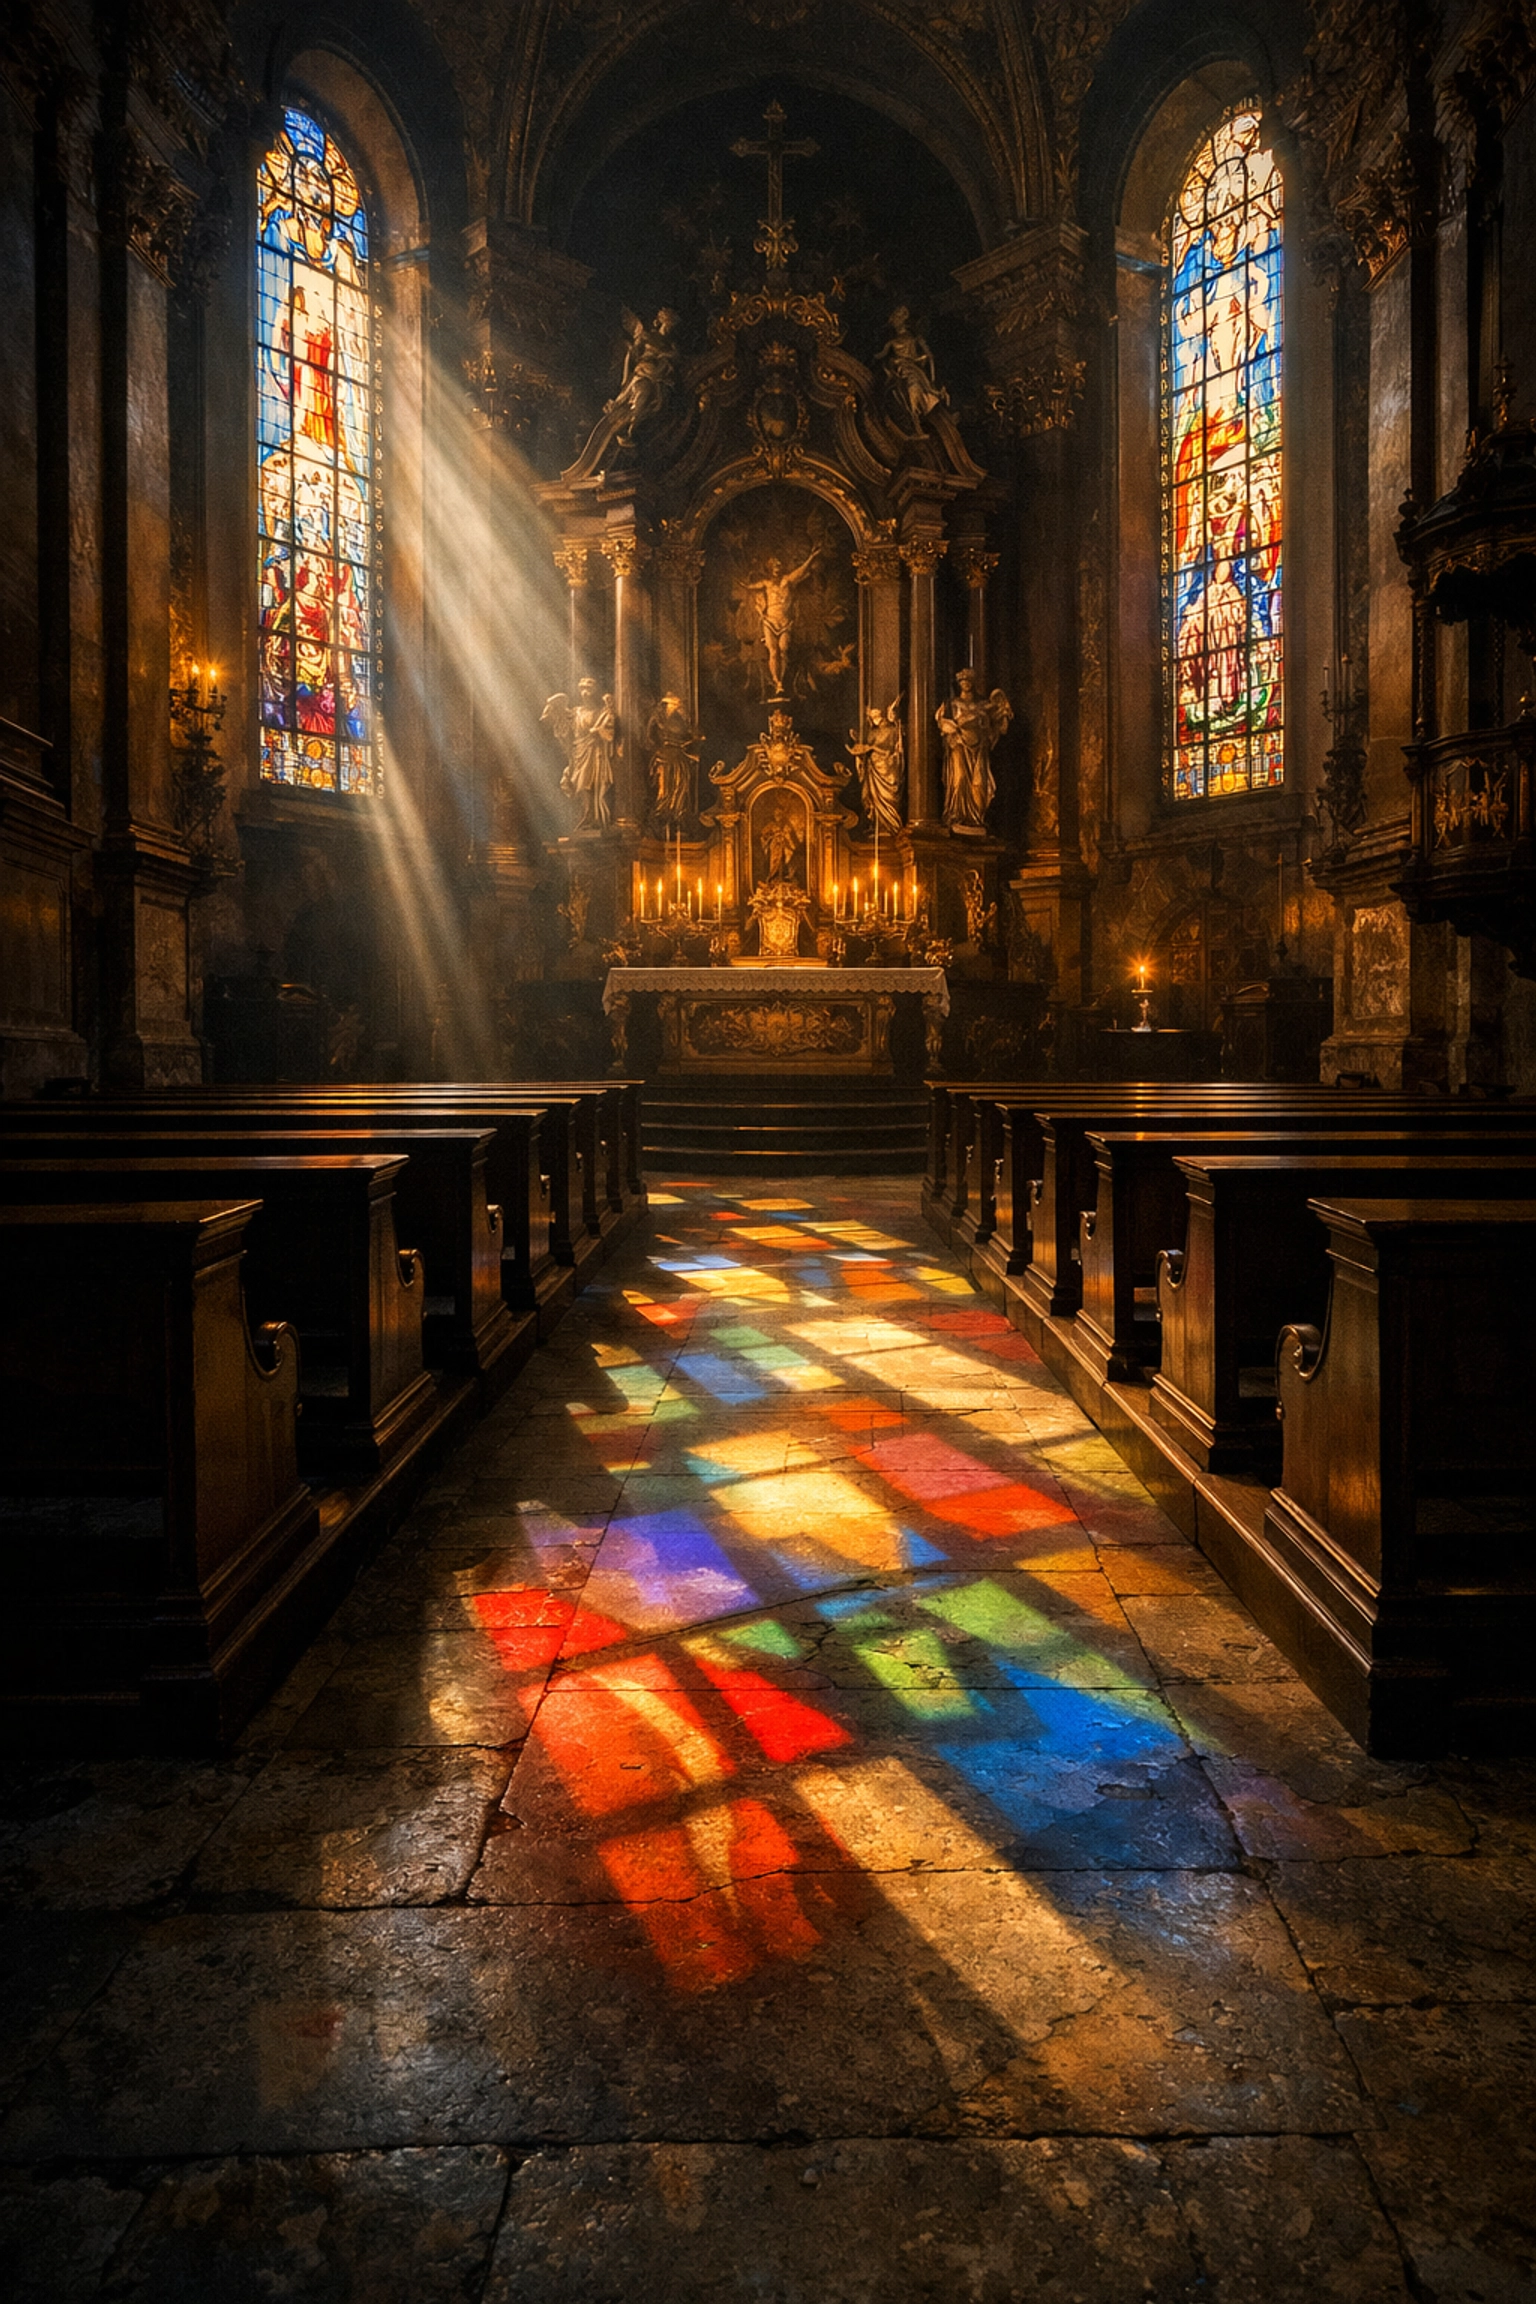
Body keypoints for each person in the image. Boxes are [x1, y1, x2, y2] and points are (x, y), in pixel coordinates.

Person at [937, 667, 1013, 834]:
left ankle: (976, 819)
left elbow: (1002, 727)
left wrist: (1003, 713)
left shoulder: (984, 704)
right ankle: (957, 815)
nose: (966, 684)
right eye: (962, 681)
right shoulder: (951, 704)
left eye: (969, 680)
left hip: (980, 749)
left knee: (979, 784)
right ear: (959, 684)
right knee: (959, 780)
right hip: (958, 746)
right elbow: (943, 723)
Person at [541, 677, 616, 833]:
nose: (585, 692)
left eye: (589, 688)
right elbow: (562, 720)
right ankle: (586, 817)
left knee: (593, 785)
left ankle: (594, 819)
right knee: (580, 785)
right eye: (582, 689)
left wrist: (605, 718)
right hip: (580, 752)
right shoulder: (576, 712)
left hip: (595, 753)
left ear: (595, 691)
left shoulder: (601, 712)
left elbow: (608, 729)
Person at [743, 546, 820, 695]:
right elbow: (750, 587)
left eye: (779, 566)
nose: (777, 569)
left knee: (783, 650)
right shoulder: (766, 583)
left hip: (784, 622)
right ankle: (776, 681)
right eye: (774, 566)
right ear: (770, 569)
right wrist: (744, 584)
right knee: (773, 651)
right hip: (770, 621)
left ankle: (782, 680)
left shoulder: (787, 580)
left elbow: (802, 571)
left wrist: (811, 557)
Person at [879, 307, 949, 433]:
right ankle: (911, 415)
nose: (895, 322)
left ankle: (915, 413)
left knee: (912, 383)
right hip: (900, 369)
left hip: (912, 368)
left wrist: (932, 379)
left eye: (897, 318)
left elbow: (928, 357)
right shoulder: (891, 343)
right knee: (902, 382)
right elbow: (879, 356)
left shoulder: (914, 339)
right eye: (893, 319)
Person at [848, 698, 905, 834]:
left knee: (888, 798)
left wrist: (873, 747)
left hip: (887, 769)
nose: (874, 719)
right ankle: (875, 823)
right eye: (872, 716)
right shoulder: (872, 732)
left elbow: (893, 751)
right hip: (873, 769)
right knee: (866, 797)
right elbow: (866, 749)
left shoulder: (892, 730)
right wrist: (858, 746)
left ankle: (889, 826)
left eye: (877, 716)